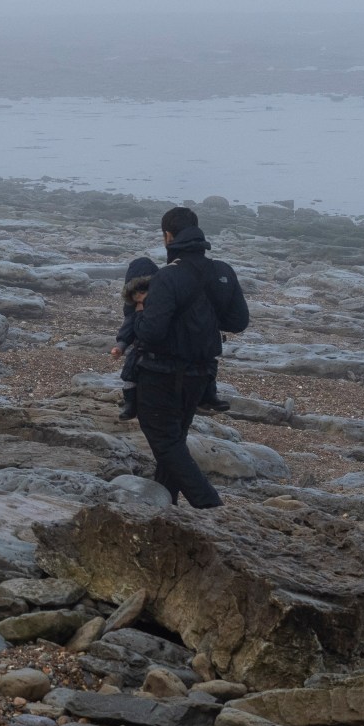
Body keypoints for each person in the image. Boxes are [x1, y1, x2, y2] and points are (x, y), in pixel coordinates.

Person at [129, 207, 250, 508]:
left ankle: (209, 506)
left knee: (165, 441)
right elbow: (238, 321)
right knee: (175, 440)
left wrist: (138, 314)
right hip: (202, 374)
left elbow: (151, 332)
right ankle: (165, 505)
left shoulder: (167, 277)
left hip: (160, 373)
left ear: (167, 236)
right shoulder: (222, 271)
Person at [108, 256, 157, 420]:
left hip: (160, 348)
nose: (139, 297)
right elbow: (128, 327)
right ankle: (130, 404)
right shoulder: (132, 307)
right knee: (130, 373)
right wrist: (121, 346)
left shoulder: (163, 305)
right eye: (135, 293)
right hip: (140, 347)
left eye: (143, 292)